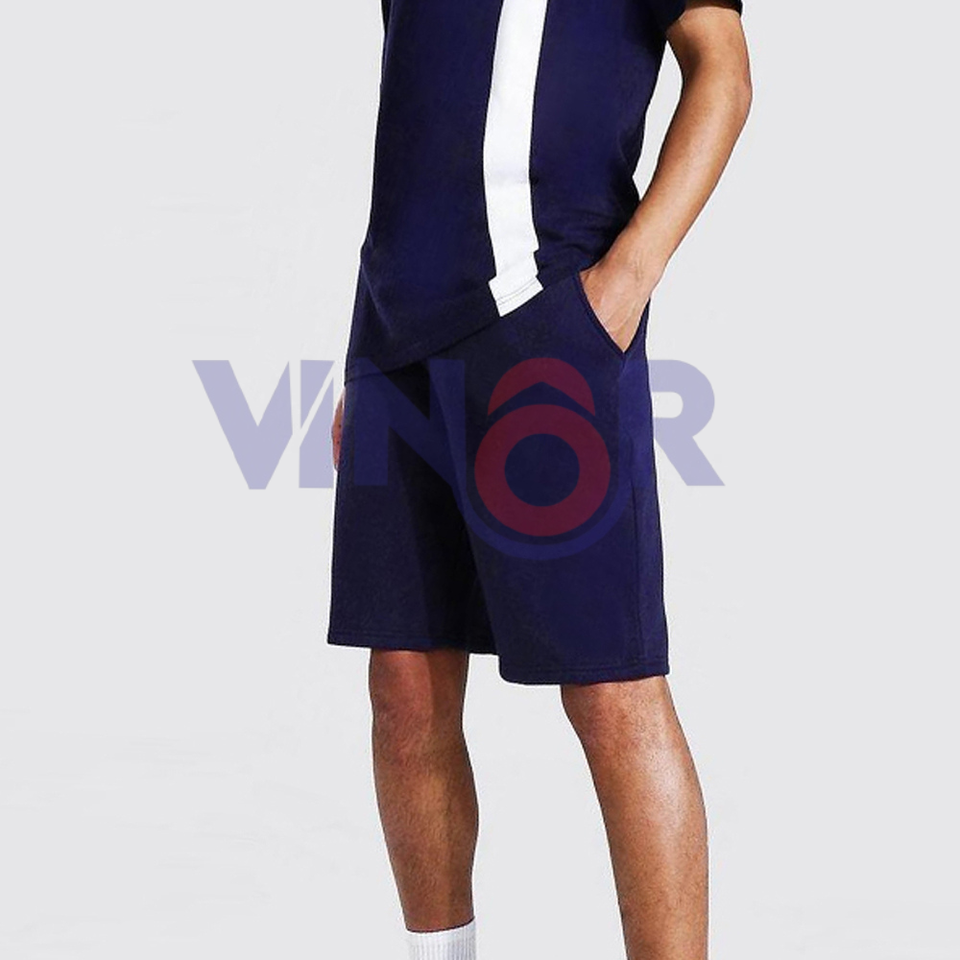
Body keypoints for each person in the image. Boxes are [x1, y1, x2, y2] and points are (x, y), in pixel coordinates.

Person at [327, 0, 751, 957]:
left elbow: (723, 71)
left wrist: (622, 286)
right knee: (403, 681)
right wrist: (363, 355)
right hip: (394, 338)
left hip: (546, 318)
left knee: (610, 686)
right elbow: (418, 129)